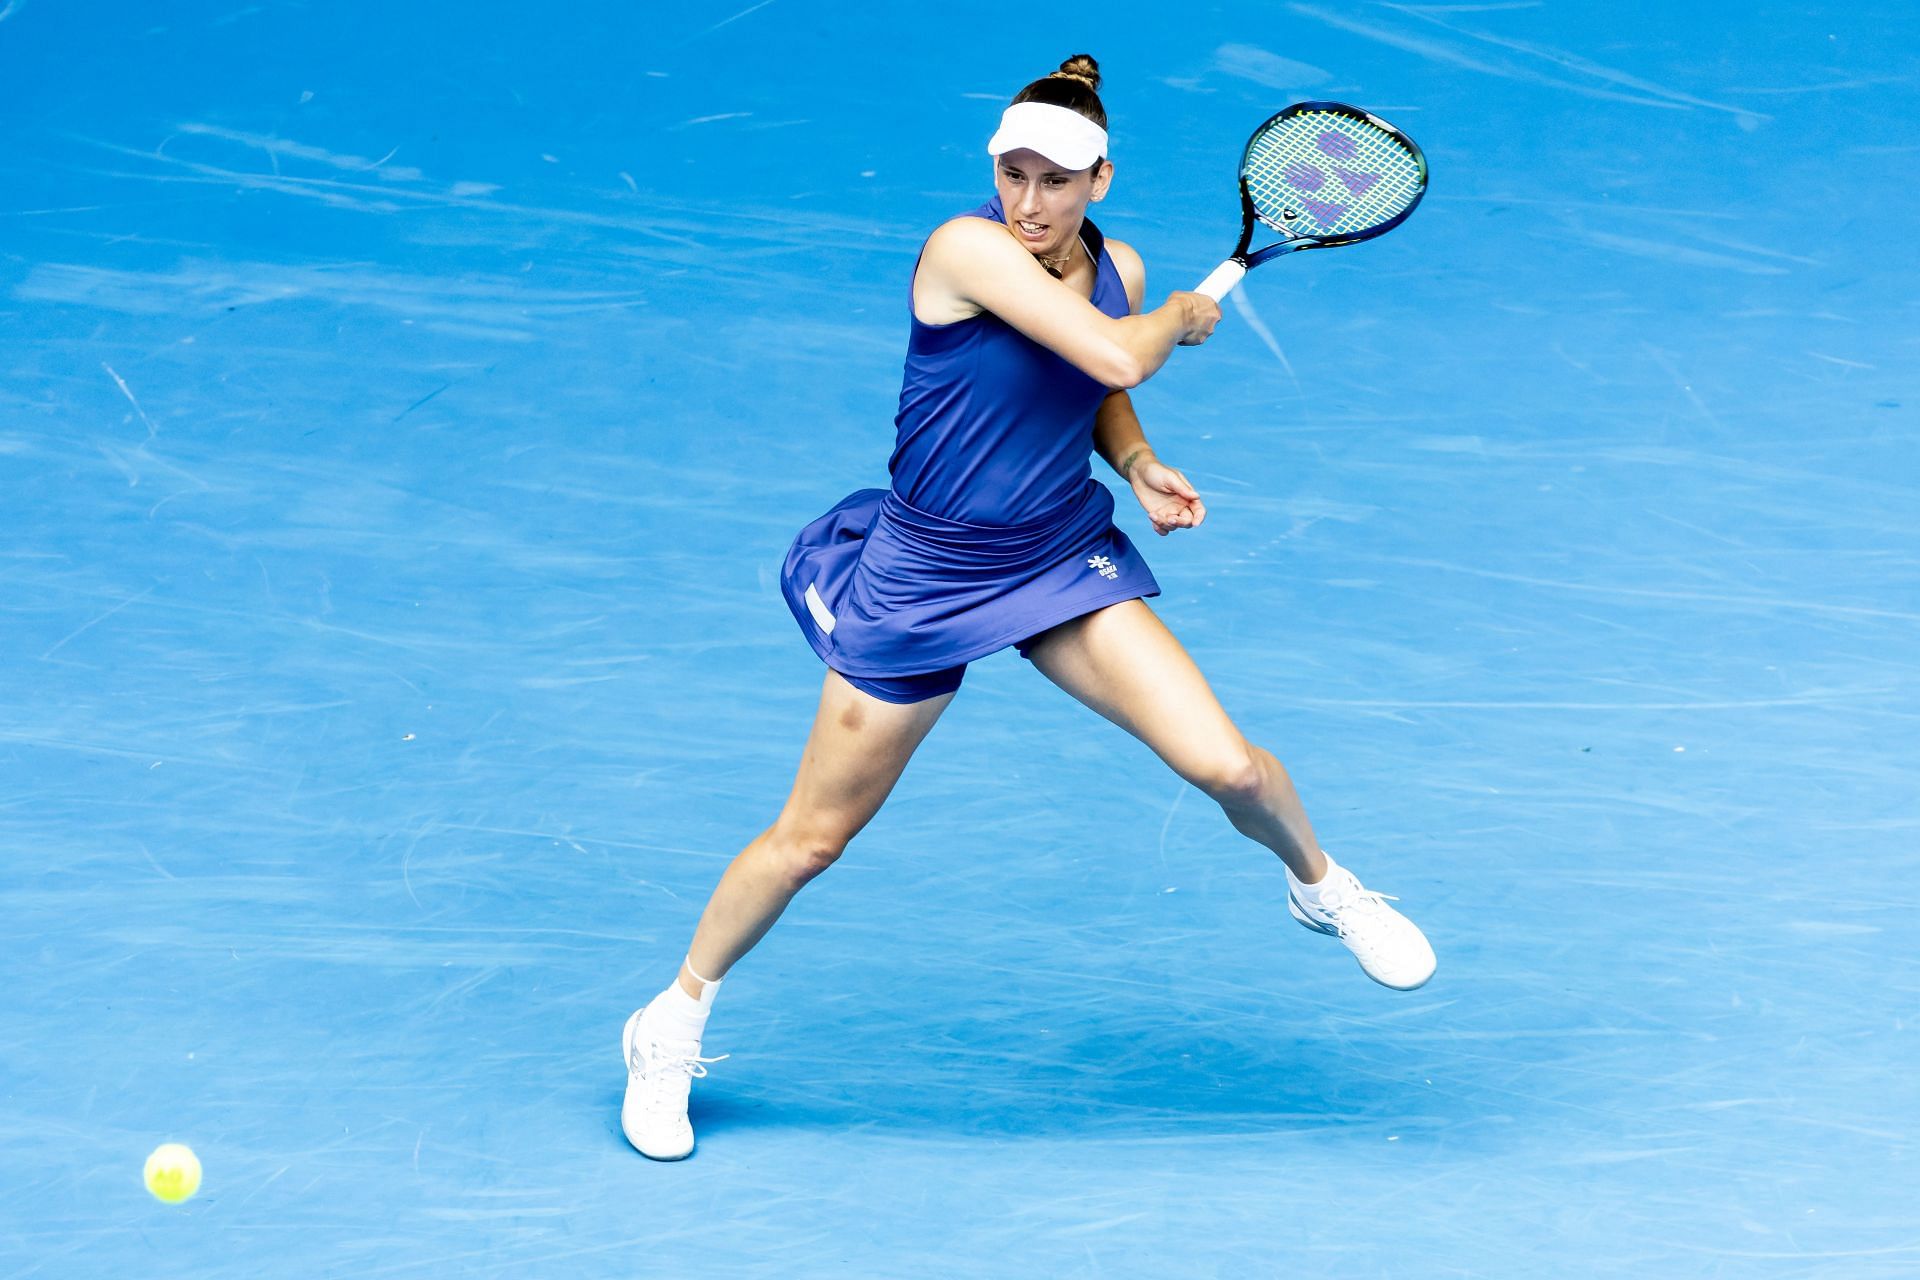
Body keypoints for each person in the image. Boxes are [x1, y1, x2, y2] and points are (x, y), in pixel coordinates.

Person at [621, 55, 1436, 1161]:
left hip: (1055, 554)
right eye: (1014, 174)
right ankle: (669, 1022)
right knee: (812, 839)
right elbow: (1108, 344)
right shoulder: (965, 252)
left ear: (1101, 178)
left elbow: (1096, 384)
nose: (1030, 202)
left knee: (1229, 767)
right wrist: (1183, 317)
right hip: (927, 572)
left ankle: (1324, 887)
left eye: (1056, 181)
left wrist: (1138, 458)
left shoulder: (1120, 263)